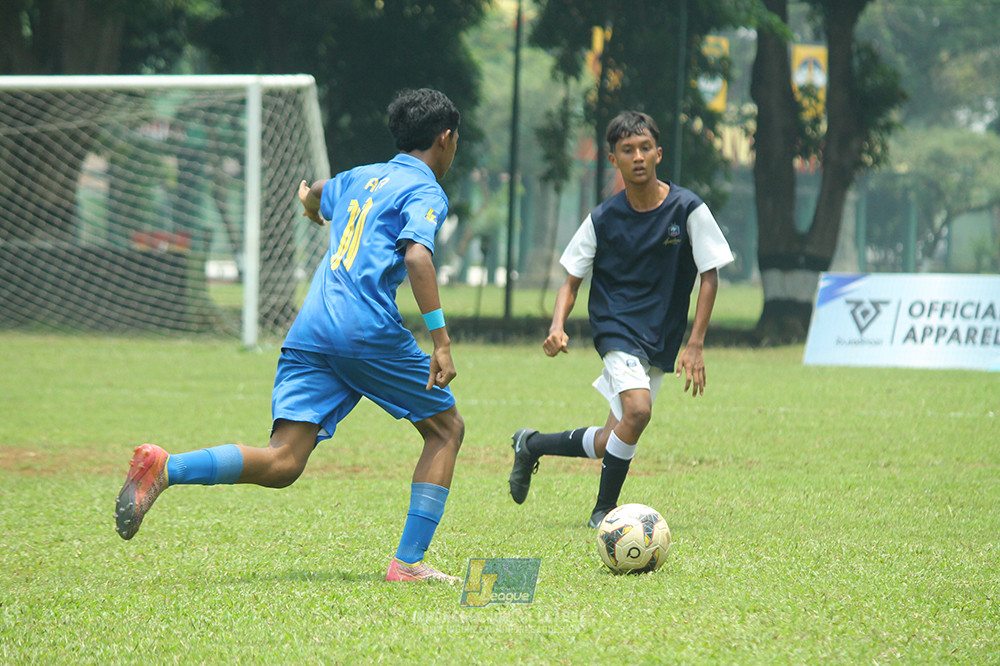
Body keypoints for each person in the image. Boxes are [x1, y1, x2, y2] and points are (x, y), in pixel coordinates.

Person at [115, 88, 465, 584]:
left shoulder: (359, 177)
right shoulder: (426, 190)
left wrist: (310, 207)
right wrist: (442, 341)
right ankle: (407, 565)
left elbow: (315, 191)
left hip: (312, 327)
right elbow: (417, 256)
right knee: (446, 430)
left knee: (283, 461)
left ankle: (167, 467)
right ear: (445, 138)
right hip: (363, 328)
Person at [507, 110, 733, 528]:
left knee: (614, 435)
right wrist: (556, 326)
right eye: (628, 150)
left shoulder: (687, 209)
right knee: (639, 411)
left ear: (659, 153)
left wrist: (696, 343)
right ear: (613, 160)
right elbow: (571, 281)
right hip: (616, 328)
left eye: (645, 148)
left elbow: (710, 275)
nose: (638, 156)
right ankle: (603, 512)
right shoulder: (603, 218)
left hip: (660, 335)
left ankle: (531, 444)